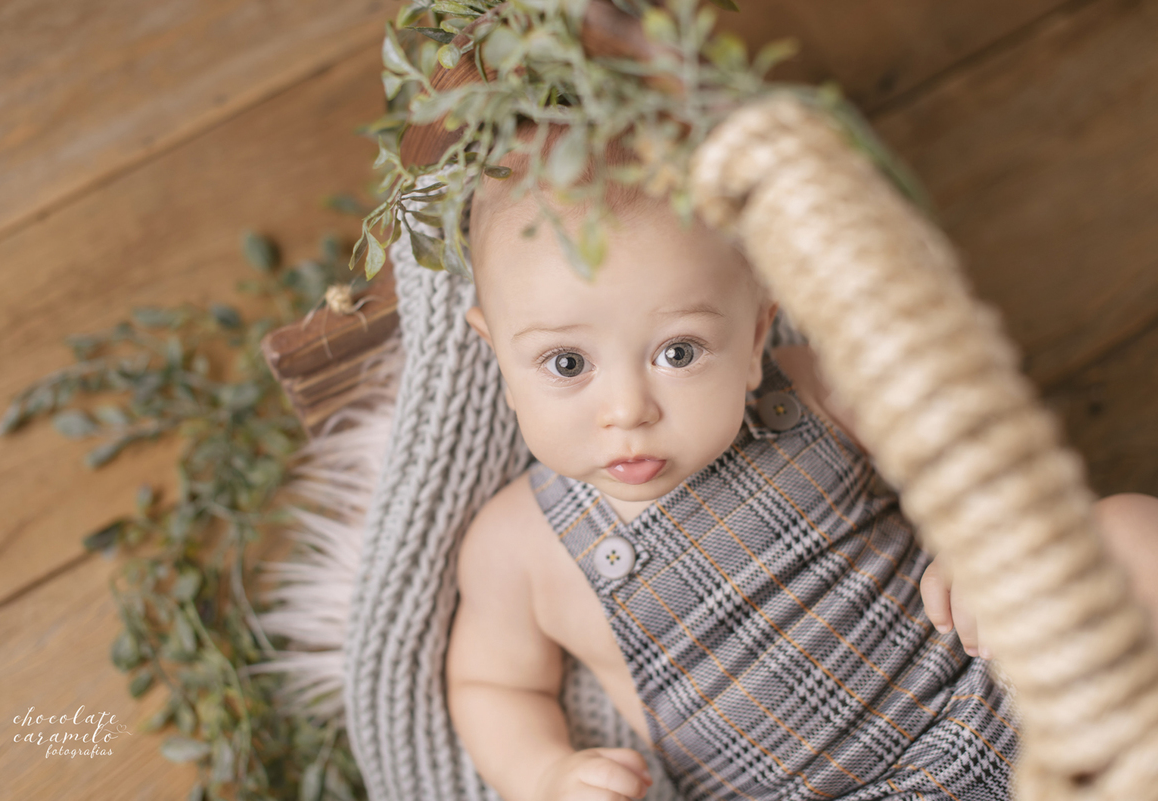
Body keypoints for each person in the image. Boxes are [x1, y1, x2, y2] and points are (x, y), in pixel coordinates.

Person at [443, 132, 1158, 801]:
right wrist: (546, 772)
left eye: (679, 352)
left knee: (1129, 531)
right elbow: (493, 685)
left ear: (755, 333)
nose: (628, 410)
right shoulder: (515, 545)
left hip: (998, 689)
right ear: (495, 350)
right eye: (567, 363)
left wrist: (987, 540)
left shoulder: (813, 389)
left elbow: (961, 440)